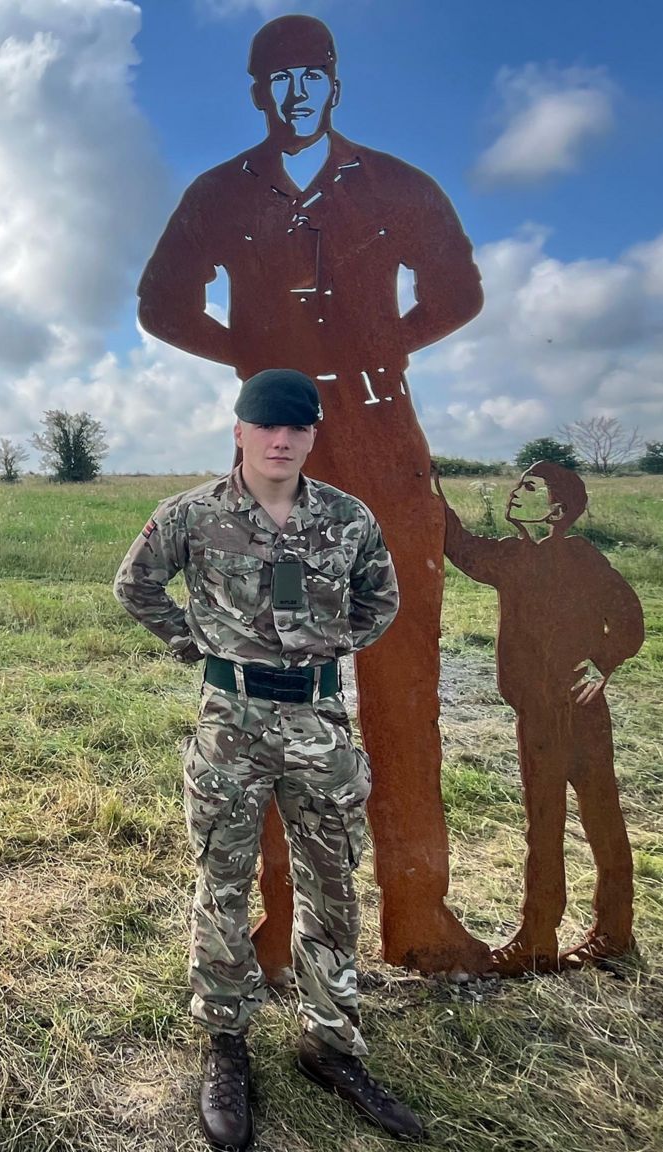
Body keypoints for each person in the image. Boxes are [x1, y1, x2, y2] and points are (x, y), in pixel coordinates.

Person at [137, 12, 490, 976]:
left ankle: (420, 915)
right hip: (279, 444)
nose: (295, 92)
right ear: (257, 92)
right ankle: (279, 929)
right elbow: (161, 300)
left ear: (334, 85)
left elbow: (457, 289)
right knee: (277, 687)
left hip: (379, 432)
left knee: (402, 678)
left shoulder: (394, 184)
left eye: (311, 76)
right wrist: (254, 356)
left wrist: (382, 348)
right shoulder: (219, 193)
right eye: (276, 78)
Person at [114, 369, 422, 1150]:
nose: (281, 440)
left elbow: (379, 601)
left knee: (331, 882)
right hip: (232, 723)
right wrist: (195, 643)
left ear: (314, 436)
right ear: (240, 431)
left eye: (297, 428)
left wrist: (323, 651)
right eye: (266, 426)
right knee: (220, 878)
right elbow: (136, 584)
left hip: (318, 723)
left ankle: (331, 1040)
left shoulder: (348, 519)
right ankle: (225, 1042)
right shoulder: (192, 515)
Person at [441, 461, 645, 972]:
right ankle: (539, 937)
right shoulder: (510, 557)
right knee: (544, 824)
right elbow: (459, 545)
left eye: (530, 487)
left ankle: (612, 931)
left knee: (601, 816)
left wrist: (603, 662)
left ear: (555, 510)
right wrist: (428, 485)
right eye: (518, 483)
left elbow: (628, 615)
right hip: (536, 716)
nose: (516, 492)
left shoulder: (581, 557)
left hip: (580, 713)